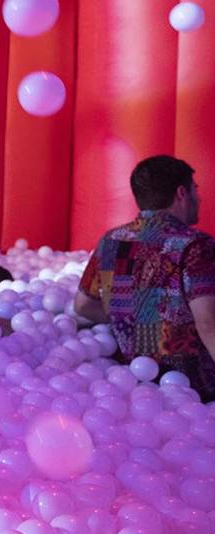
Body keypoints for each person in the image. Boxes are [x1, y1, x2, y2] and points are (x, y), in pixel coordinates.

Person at [74, 155, 215, 401]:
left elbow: (83, 305)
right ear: (181, 193)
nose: (199, 197)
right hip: (194, 389)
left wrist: (133, 319)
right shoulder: (195, 246)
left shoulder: (111, 241)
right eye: (195, 189)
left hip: (134, 387)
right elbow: (208, 325)